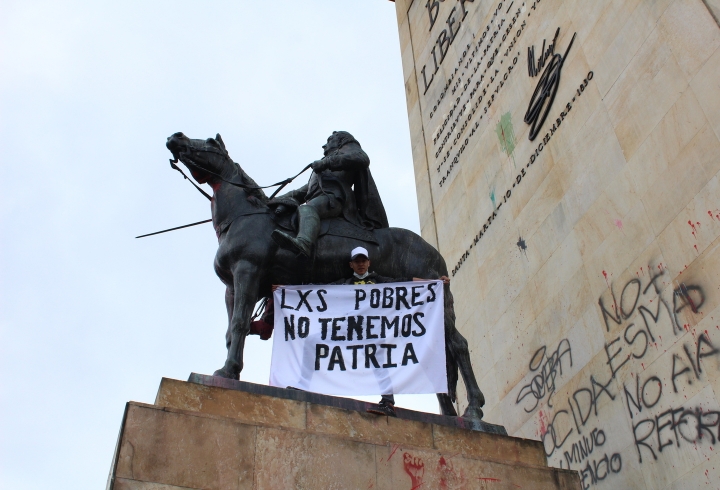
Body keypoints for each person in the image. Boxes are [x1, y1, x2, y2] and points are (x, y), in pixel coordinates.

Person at [333, 246, 449, 417]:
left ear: (369, 262)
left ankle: (388, 402)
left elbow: (404, 282)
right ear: (351, 264)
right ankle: (301, 385)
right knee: (317, 346)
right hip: (352, 331)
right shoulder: (344, 284)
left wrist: (434, 282)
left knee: (380, 364)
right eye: (357, 261)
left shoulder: (378, 280)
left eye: (363, 261)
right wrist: (285, 290)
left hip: (375, 331)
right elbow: (316, 290)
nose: (360, 264)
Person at [271, 131, 389, 258]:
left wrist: (326, 163)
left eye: (329, 140)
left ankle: (304, 242)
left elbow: (362, 158)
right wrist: (274, 200)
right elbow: (303, 191)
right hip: (321, 199)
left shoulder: (345, 152)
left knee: (307, 208)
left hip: (336, 200)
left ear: (341, 141)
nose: (324, 146)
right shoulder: (323, 166)